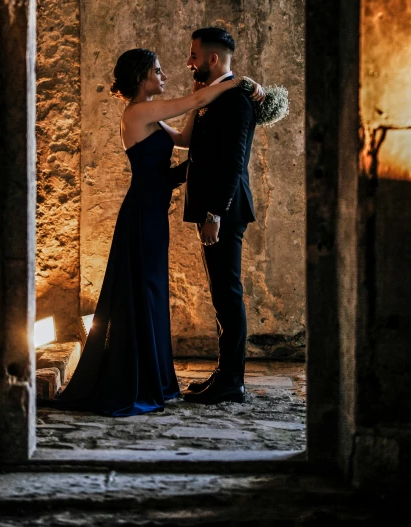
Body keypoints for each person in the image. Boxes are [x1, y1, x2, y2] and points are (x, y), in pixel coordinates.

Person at [51, 48, 264, 416]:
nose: (164, 77)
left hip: (152, 212)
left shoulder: (149, 115)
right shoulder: (137, 112)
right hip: (142, 214)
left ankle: (155, 378)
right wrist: (239, 83)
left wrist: (208, 123)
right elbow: (195, 100)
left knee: (150, 292)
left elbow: (183, 139)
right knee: (142, 292)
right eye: (158, 71)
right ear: (141, 77)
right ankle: (139, 381)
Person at [182, 27, 260, 405]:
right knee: (220, 295)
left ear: (212, 59)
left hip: (225, 210)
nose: (189, 62)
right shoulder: (214, 96)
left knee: (228, 294)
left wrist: (214, 212)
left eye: (193, 55)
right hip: (214, 209)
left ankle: (232, 382)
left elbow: (233, 163)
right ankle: (224, 371)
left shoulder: (237, 101)